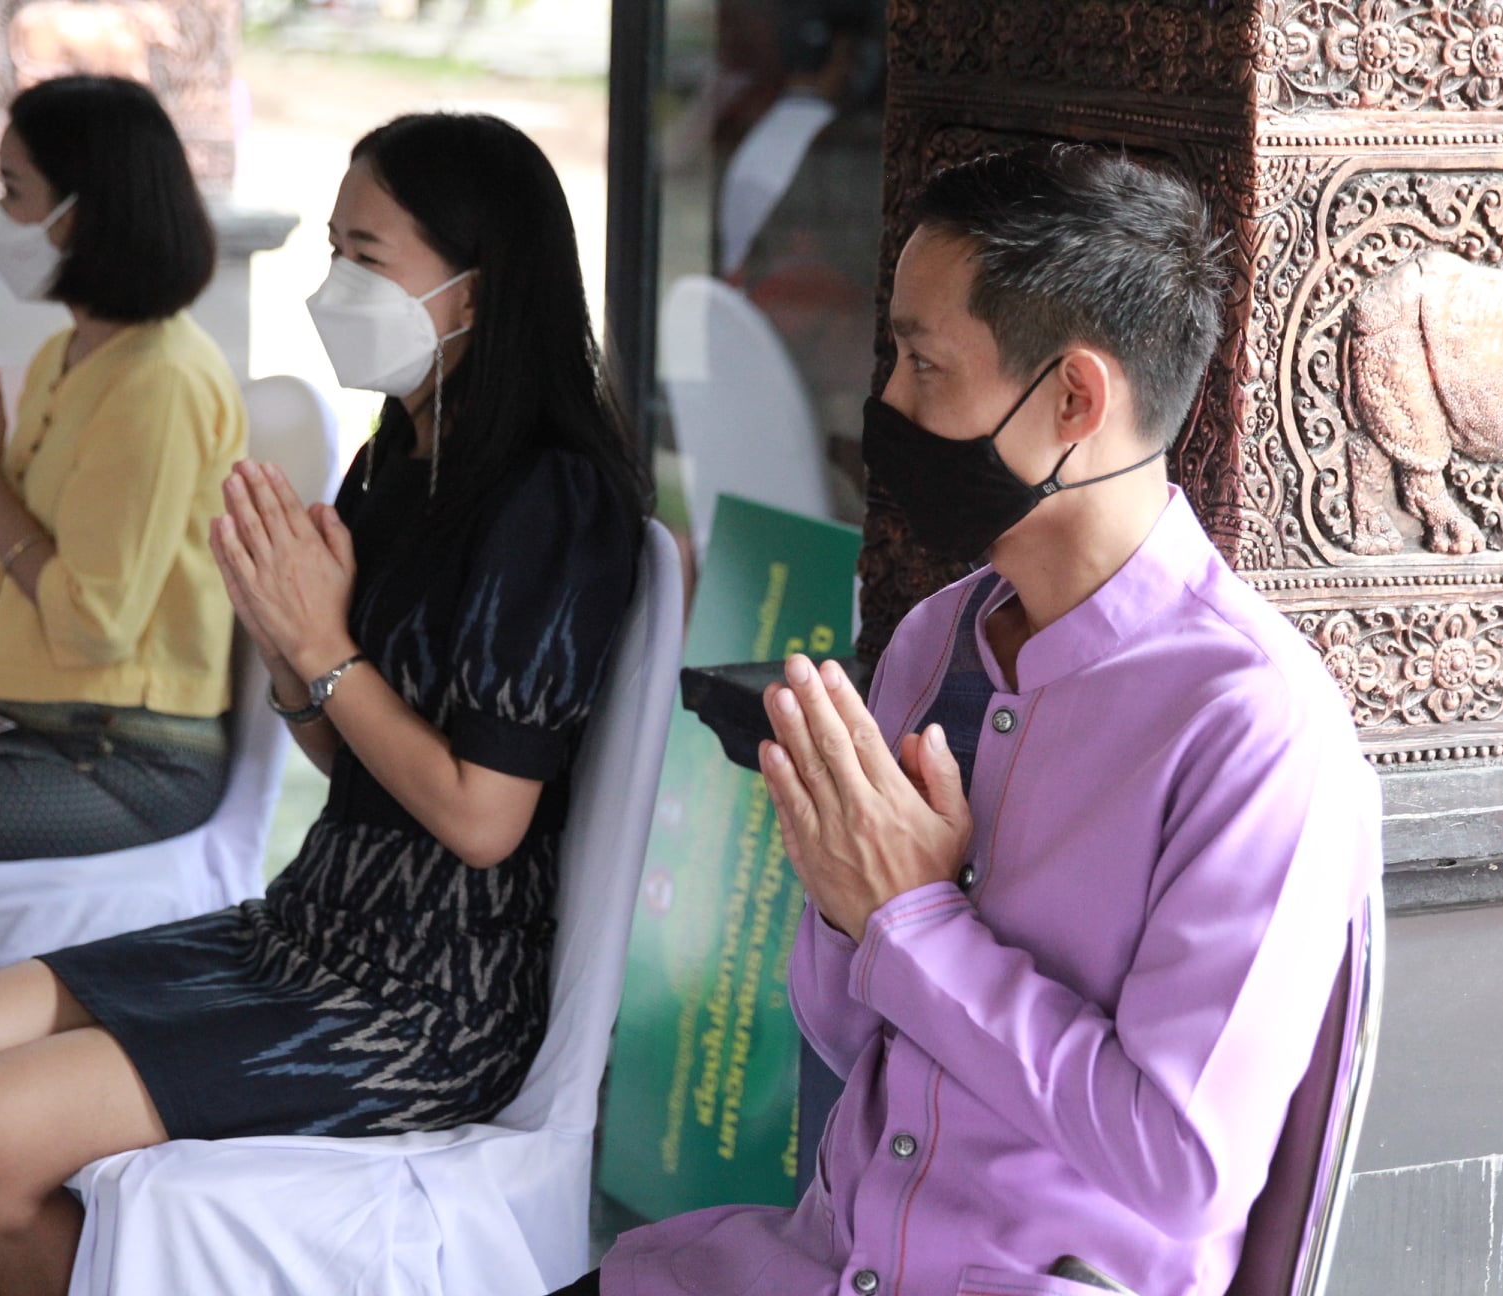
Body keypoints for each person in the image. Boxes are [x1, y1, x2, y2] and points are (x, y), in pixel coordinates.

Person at [564, 145, 1382, 1296]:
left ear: (1073, 400)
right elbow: (848, 1041)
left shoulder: (1251, 728)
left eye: (924, 363)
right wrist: (849, 906)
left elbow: (1182, 1167)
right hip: (825, 1260)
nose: (889, 408)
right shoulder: (936, 641)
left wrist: (911, 918)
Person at [0, 112, 648, 1295]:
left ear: (479, 285)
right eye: (333, 249)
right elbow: (354, 760)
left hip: (423, 998)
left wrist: (322, 647)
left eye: (366, 256)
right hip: (307, 931)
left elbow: (483, 819)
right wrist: (286, 651)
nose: (334, 285)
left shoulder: (553, 502)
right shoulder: (399, 458)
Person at [0, 75, 244, 862]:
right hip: (43, 721)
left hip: (130, 758)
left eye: (13, 191)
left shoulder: (160, 380)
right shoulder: (68, 354)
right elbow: (25, 560)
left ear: (78, 214)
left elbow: (94, 625)